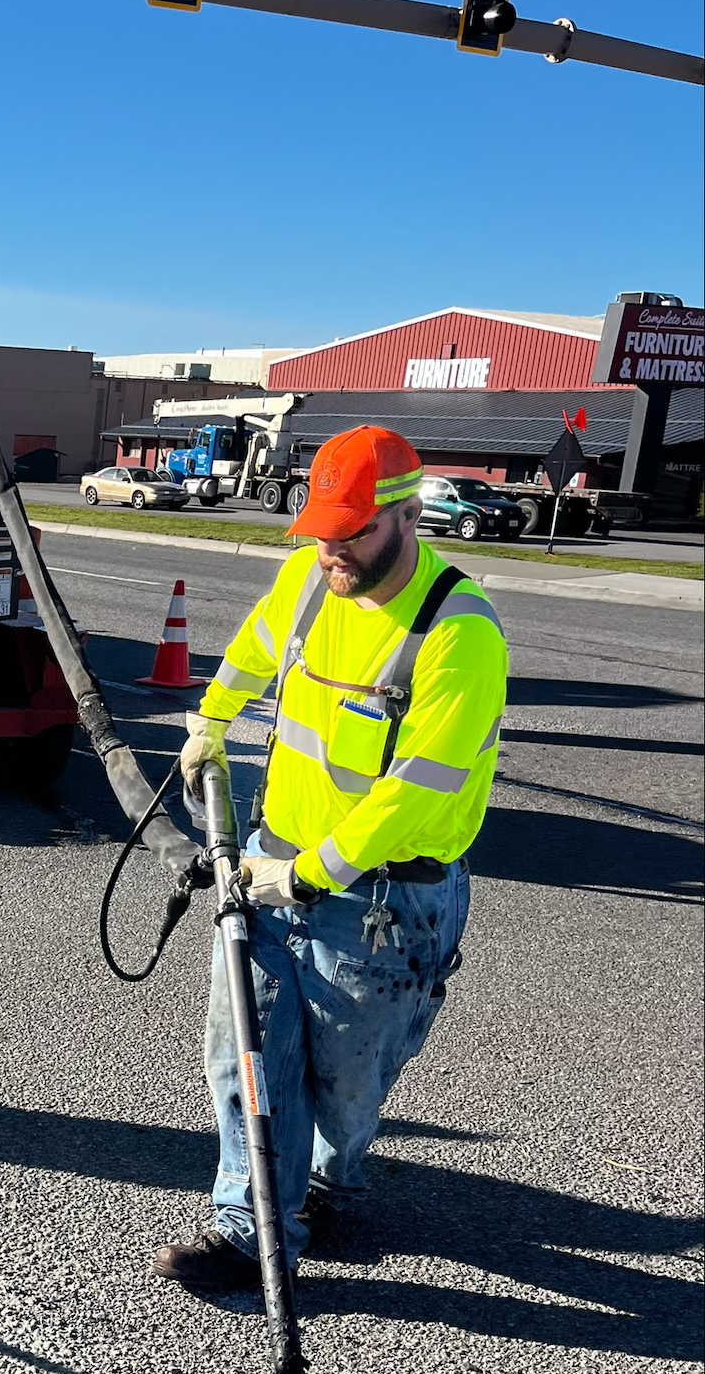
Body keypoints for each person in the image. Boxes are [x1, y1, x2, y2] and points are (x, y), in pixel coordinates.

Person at [155, 426, 509, 1294]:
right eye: (320, 530)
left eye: (349, 531)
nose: (330, 550)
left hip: (385, 903)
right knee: (246, 1051)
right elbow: (255, 647)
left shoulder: (459, 633)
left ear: (404, 515)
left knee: (344, 1081)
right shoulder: (309, 580)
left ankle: (327, 1181)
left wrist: (314, 873)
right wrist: (213, 716)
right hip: (271, 866)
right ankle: (252, 1227)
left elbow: (417, 792)